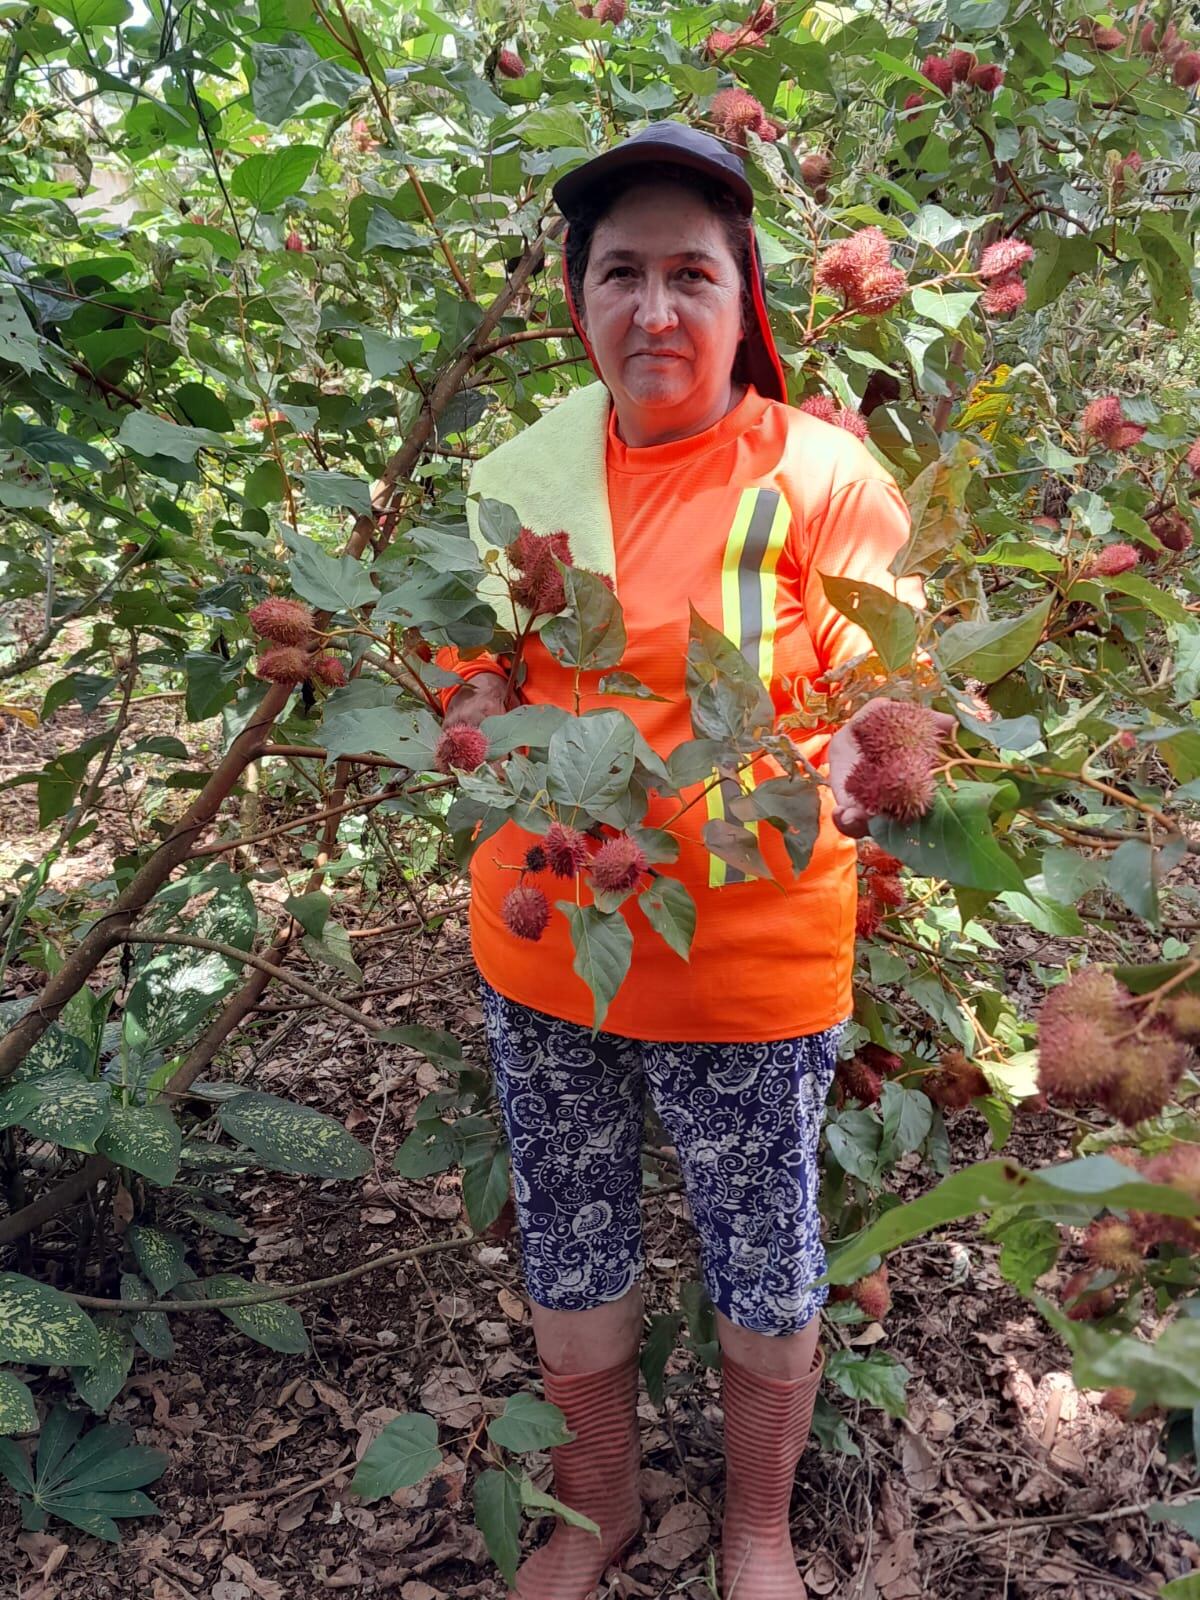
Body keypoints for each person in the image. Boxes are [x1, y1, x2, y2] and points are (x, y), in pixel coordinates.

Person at [437, 122, 926, 1600]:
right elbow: (463, 682)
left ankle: (760, 1527)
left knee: (765, 1261)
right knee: (572, 1246)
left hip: (747, 967)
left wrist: (869, 761)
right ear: (579, 297)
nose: (657, 310)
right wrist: (477, 727)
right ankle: (600, 1511)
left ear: (743, 296)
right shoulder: (517, 473)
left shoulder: (823, 475)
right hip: (551, 948)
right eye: (623, 272)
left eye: (691, 276)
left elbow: (889, 682)